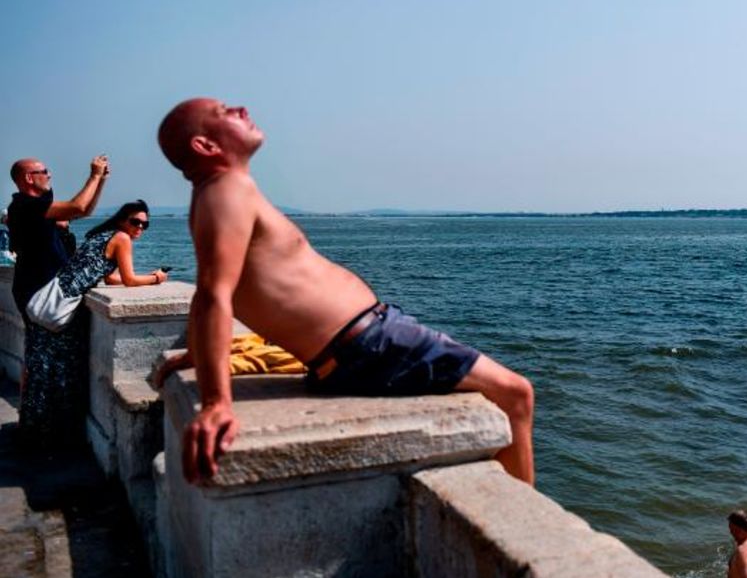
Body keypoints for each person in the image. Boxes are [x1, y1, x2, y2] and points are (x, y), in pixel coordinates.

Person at [156, 98, 535, 486]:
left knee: (507, 391)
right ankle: (530, 534)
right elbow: (213, 292)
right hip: (370, 345)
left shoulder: (219, 194)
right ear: (206, 146)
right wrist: (218, 401)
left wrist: (199, 354)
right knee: (515, 394)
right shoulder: (227, 189)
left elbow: (221, 286)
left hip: (358, 348)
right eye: (223, 112)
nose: (239, 108)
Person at [17, 200, 166, 444]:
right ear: (122, 220)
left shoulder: (103, 235)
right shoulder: (122, 238)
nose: (139, 228)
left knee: (41, 372)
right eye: (135, 222)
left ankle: (33, 432)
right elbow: (128, 280)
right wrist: (155, 277)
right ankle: (54, 437)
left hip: (50, 302)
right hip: (63, 312)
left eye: (145, 224)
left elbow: (109, 278)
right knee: (61, 373)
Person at [8, 156, 110, 443]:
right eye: (44, 172)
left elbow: (82, 211)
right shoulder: (25, 206)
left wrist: (100, 180)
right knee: (104, 247)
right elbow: (78, 207)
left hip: (37, 291)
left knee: (43, 360)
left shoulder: (30, 208)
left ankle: (37, 427)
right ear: (29, 178)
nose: (50, 174)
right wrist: (92, 175)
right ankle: (39, 432)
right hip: (41, 293)